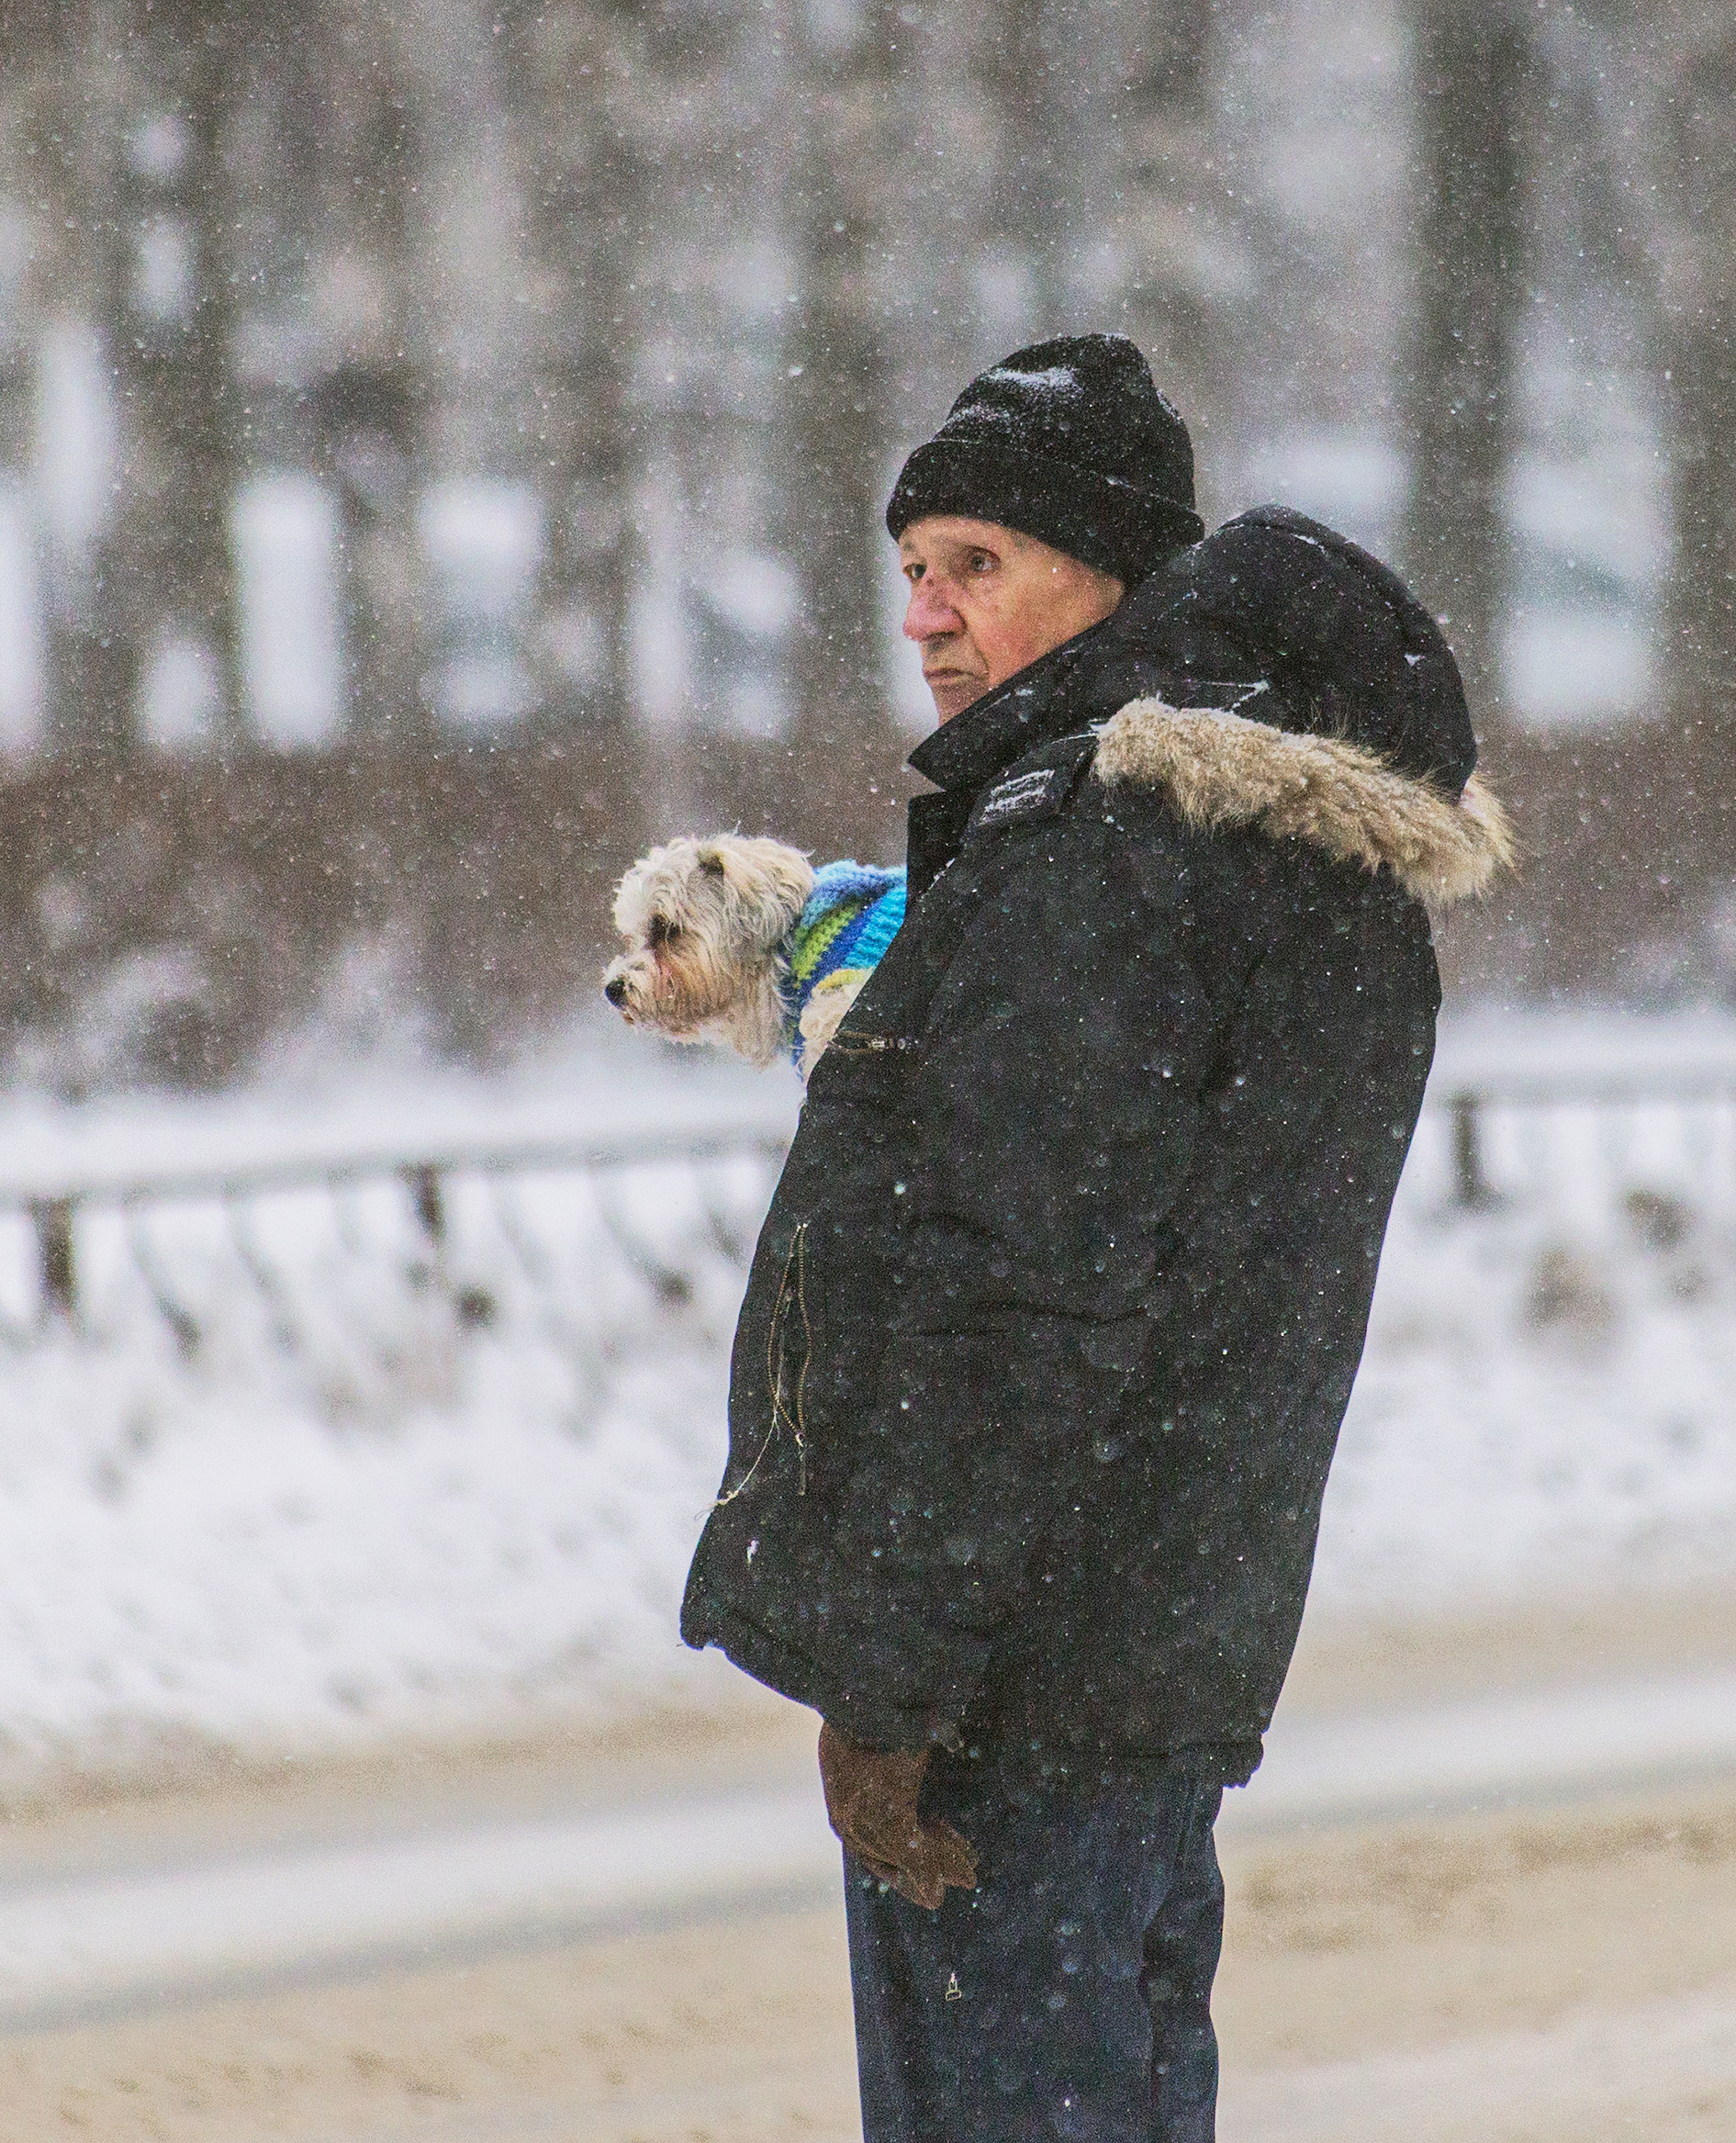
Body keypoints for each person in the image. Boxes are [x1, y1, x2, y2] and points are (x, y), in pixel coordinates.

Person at [679, 332, 1512, 2141]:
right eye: (911, 570)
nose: (926, 613)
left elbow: (1008, 1299)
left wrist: (889, 1695)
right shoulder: (1249, 844)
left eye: (977, 564)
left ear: (1113, 582)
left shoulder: (1106, 852)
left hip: (1019, 1696)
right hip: (1135, 1649)